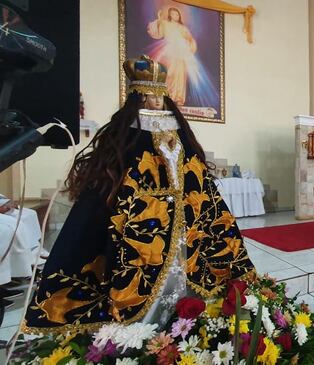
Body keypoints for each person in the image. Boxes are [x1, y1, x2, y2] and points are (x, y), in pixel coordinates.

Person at [22, 56, 254, 334]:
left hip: (182, 224)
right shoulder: (125, 132)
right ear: (135, 96)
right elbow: (114, 178)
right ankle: (140, 329)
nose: (154, 103)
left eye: (159, 97)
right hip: (140, 224)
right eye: (147, 96)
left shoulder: (177, 131)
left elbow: (193, 175)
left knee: (185, 273)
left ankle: (183, 321)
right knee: (142, 275)